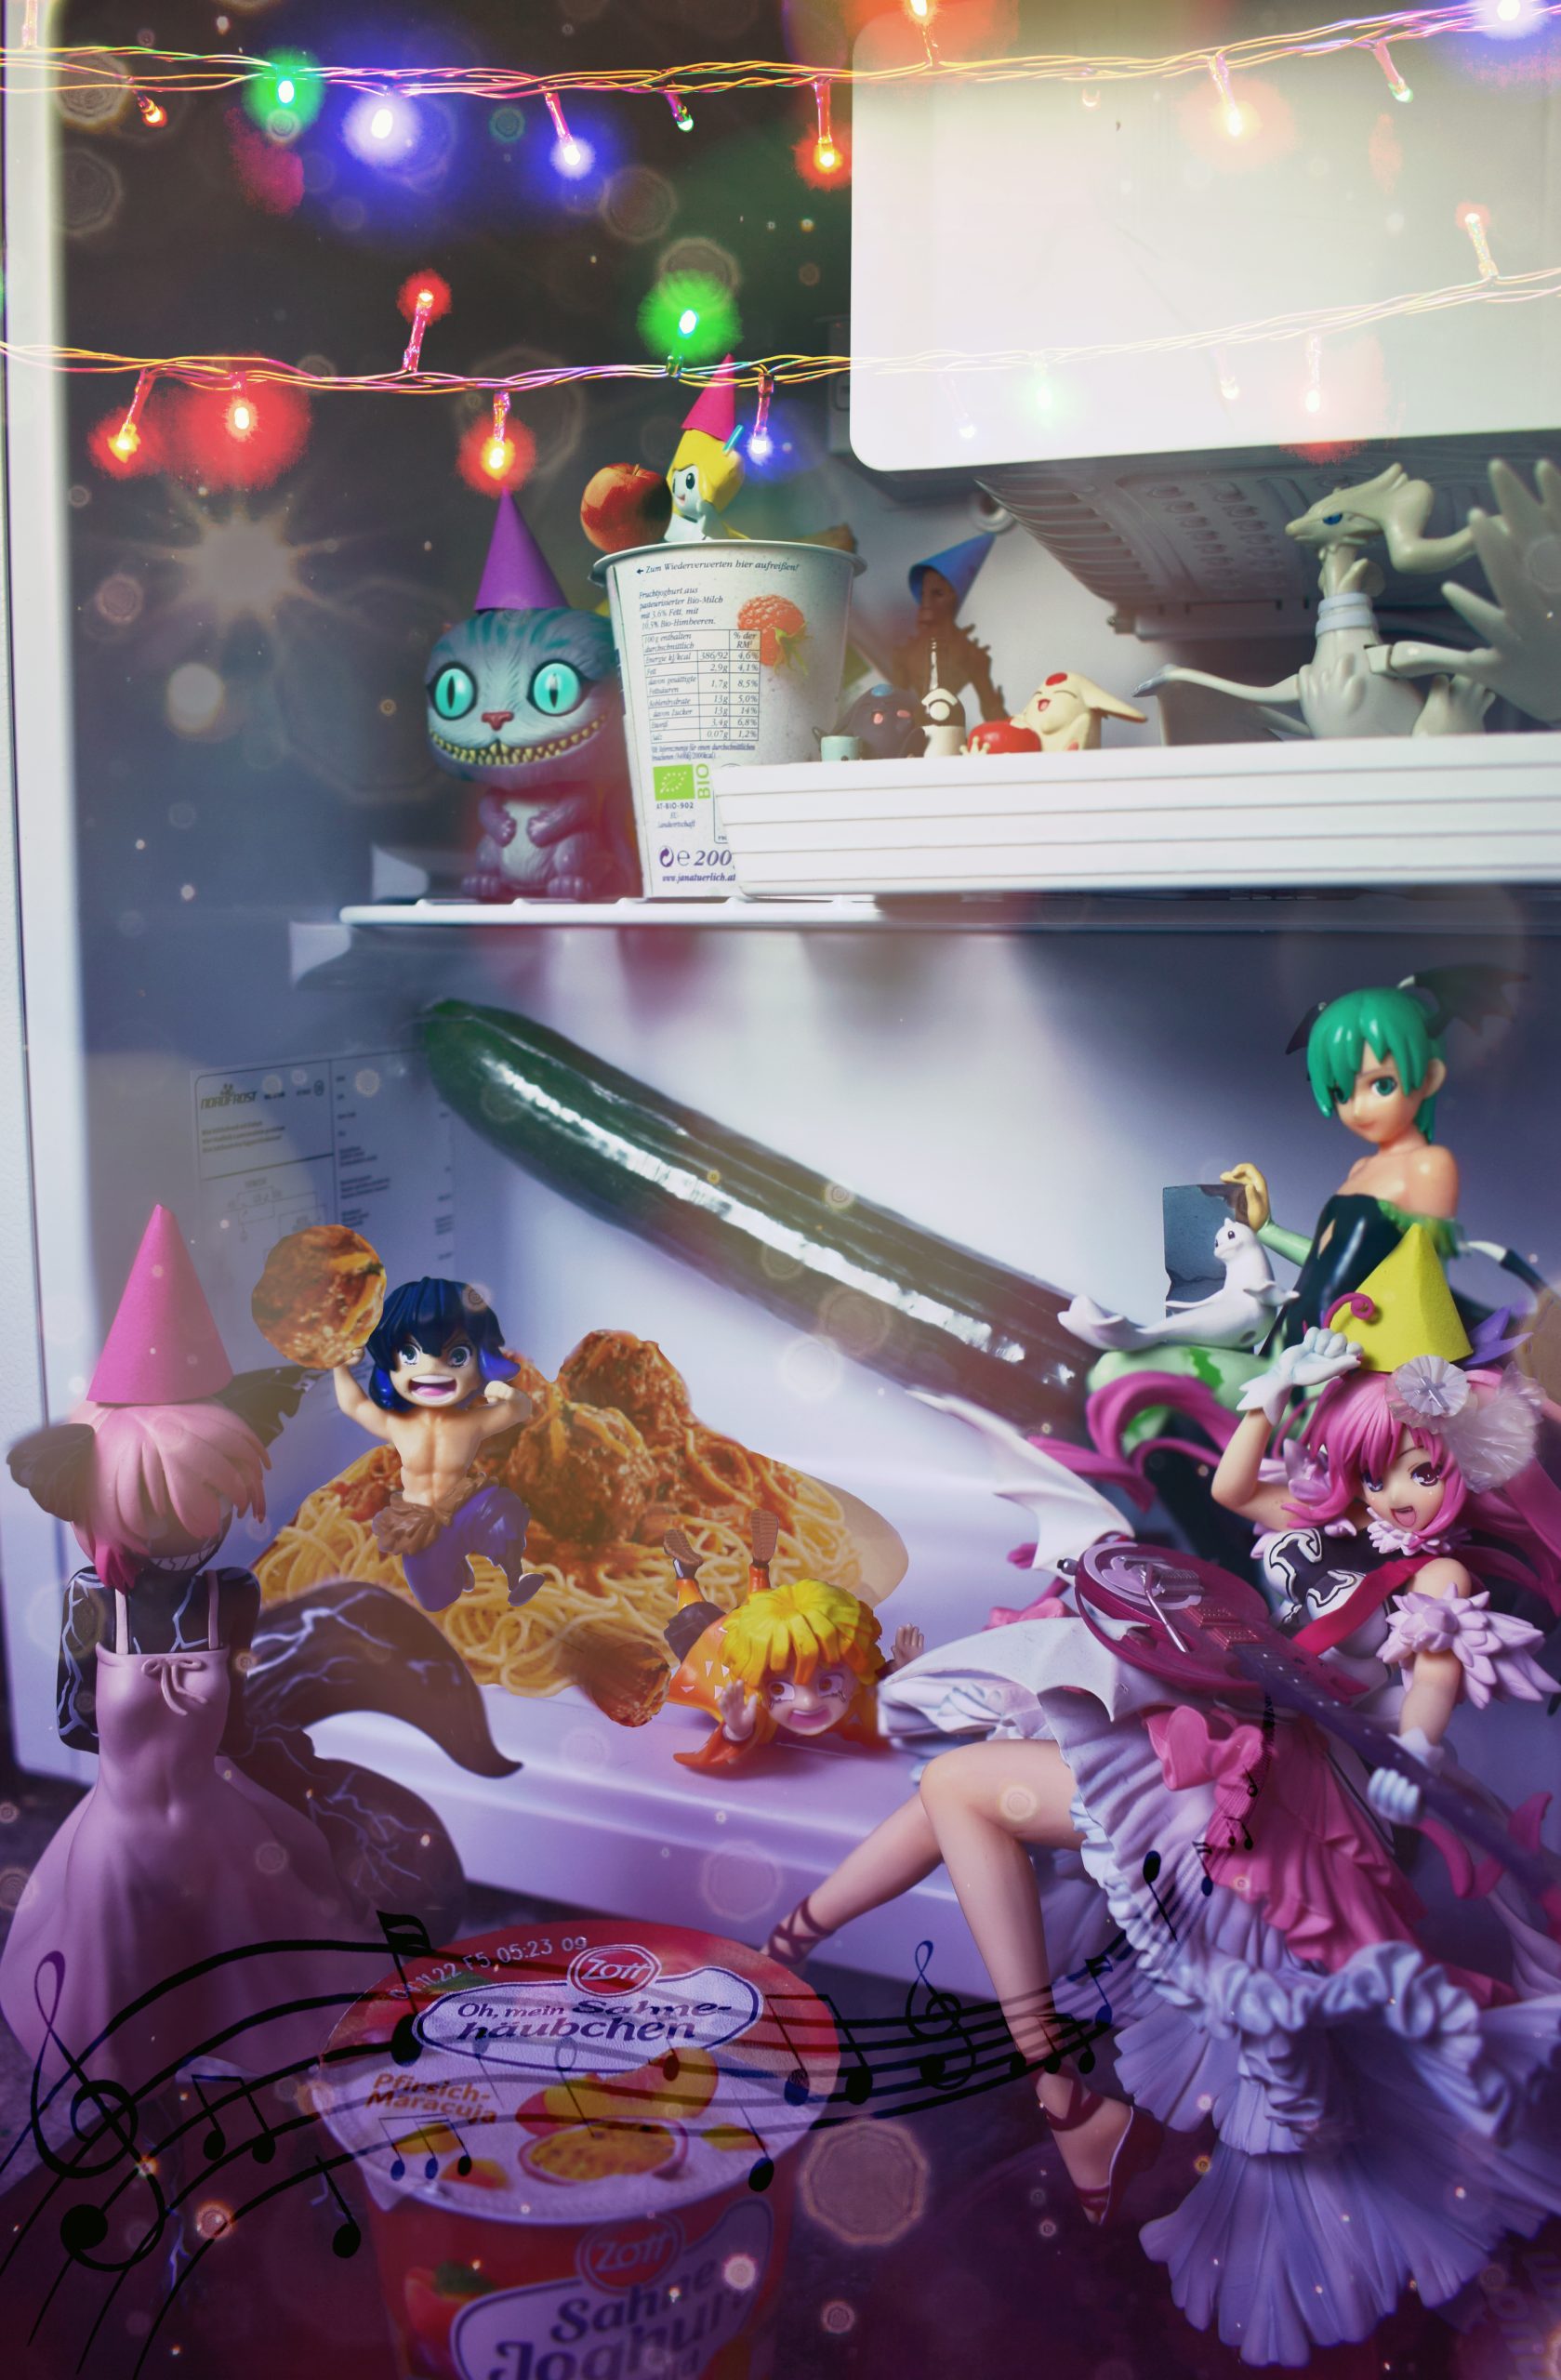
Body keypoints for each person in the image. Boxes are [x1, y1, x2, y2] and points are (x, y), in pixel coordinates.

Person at [760, 1238, 1561, 2366]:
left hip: (1284, 1790)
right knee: (967, 1769)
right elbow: (1233, 1491)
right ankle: (824, 1964)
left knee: (959, 1786)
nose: (1394, 1492)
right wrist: (1271, 1395)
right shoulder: (1329, 1522)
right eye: (1376, 1469)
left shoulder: (1434, 1574)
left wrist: (1414, 1750)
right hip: (1226, 1718)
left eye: (1418, 1472)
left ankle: (1024, 2075)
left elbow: (1427, 1679)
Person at [334, 1276, 539, 1612]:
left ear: (481, 1365)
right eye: (410, 1354)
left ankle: (516, 1578)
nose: (431, 1370)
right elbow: (354, 1406)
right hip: (417, 1522)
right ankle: (454, 1563)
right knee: (435, 1599)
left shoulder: (472, 1423)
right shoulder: (397, 1425)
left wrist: (509, 1395)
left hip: (464, 1509)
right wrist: (340, 1368)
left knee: (501, 1513)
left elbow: (520, 1411)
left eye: (457, 1356)